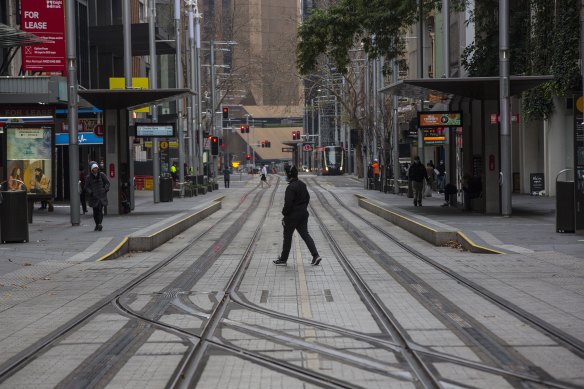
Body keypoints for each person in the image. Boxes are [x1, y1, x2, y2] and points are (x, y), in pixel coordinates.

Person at [274, 166, 322, 266]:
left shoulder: (290, 187)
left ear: (289, 175)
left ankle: (283, 260)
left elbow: (288, 203)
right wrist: (302, 208)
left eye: (286, 173)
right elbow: (307, 198)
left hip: (292, 216)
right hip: (303, 214)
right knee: (305, 234)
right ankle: (315, 255)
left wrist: (284, 214)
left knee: (287, 237)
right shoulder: (302, 184)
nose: (285, 175)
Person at [85, 162, 110, 231]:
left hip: (101, 196)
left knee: (100, 210)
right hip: (94, 197)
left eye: (96, 168)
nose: (96, 169)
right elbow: (86, 187)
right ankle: (97, 224)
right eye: (94, 168)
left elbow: (107, 183)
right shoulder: (88, 177)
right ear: (92, 170)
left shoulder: (102, 175)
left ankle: (99, 224)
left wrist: (105, 189)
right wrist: (91, 192)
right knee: (95, 211)